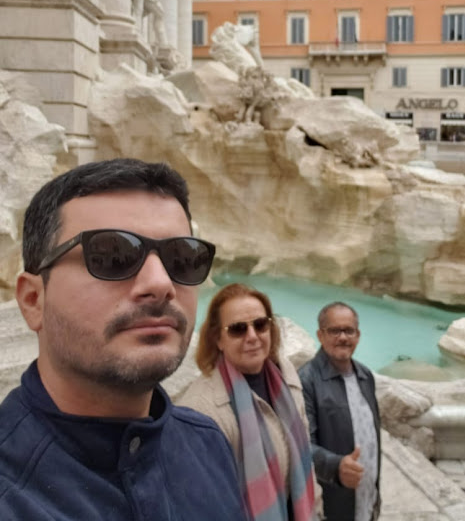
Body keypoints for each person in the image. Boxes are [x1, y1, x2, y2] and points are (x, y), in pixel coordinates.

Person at [0, 158, 246, 520]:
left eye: (182, 258)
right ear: (34, 300)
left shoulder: (207, 444)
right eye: (112, 256)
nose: (160, 284)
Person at [178, 283, 319, 521]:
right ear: (218, 339)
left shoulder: (285, 375)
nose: (252, 336)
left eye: (260, 324)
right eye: (238, 329)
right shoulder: (201, 411)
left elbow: (305, 454)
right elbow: (202, 504)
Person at [299, 302, 381, 521]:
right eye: (335, 331)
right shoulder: (306, 381)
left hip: (367, 501)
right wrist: (335, 467)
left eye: (349, 331)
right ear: (320, 335)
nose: (343, 337)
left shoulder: (365, 376)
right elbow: (299, 447)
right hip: (331, 506)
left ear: (358, 335)